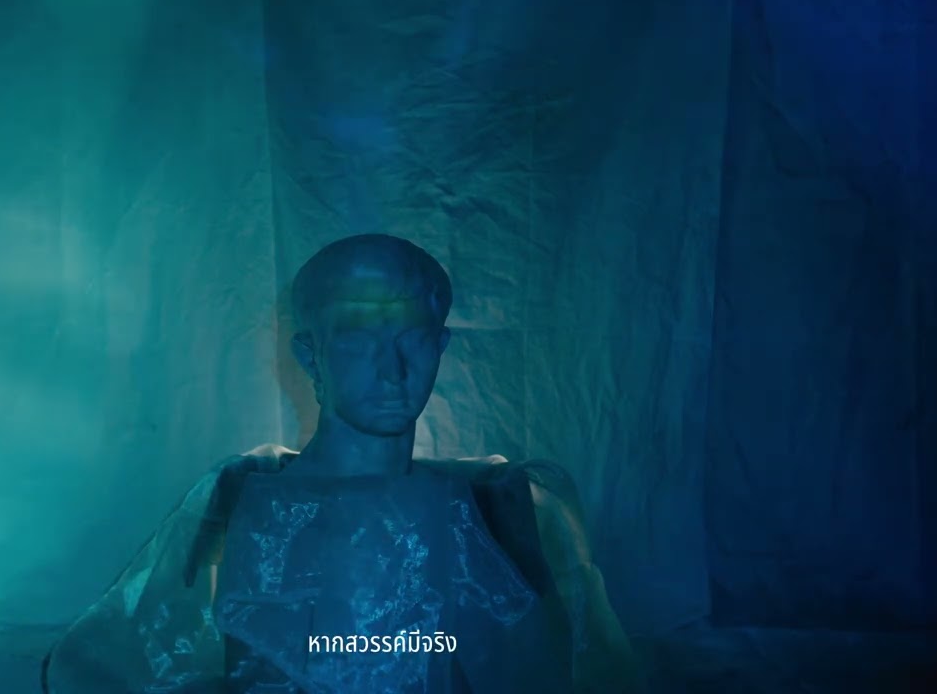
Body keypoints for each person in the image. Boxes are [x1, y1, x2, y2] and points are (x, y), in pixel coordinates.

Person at [42, 234, 642, 693]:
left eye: (413, 337)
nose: (393, 369)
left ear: (440, 345)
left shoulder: (501, 504)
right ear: (311, 354)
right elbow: (143, 657)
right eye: (359, 338)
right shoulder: (249, 501)